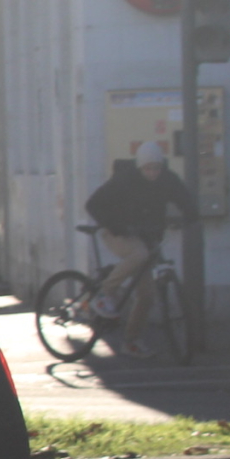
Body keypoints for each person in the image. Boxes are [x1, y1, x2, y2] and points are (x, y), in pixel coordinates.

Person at [84, 140, 193, 356]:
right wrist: (115, 225)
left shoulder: (167, 179)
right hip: (117, 232)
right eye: (148, 169)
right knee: (139, 254)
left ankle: (130, 341)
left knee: (147, 295)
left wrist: (191, 215)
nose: (153, 173)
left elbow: (184, 197)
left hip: (146, 236)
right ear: (140, 167)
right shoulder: (124, 179)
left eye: (157, 168)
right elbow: (93, 204)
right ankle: (104, 293)